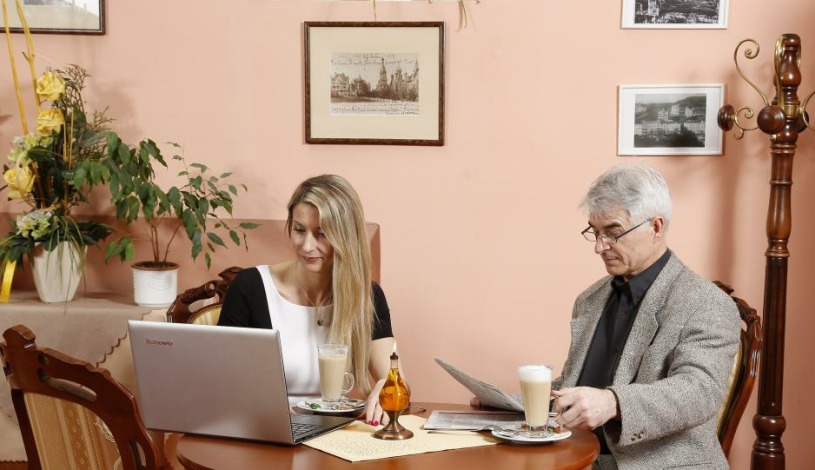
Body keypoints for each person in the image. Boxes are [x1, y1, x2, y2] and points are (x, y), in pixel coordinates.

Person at [550, 163, 741, 469]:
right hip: (580, 458)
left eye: (613, 233)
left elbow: (699, 391)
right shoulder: (590, 299)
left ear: (655, 227)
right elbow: (574, 383)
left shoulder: (706, 303)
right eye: (595, 232)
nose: (599, 247)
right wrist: (511, 404)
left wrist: (612, 402)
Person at [218, 174, 396, 426]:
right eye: (299, 230)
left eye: (322, 233)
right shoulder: (250, 287)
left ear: (346, 237)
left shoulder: (367, 297)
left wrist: (385, 388)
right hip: (265, 428)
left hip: (334, 432)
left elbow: (394, 380)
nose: (307, 246)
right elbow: (224, 382)